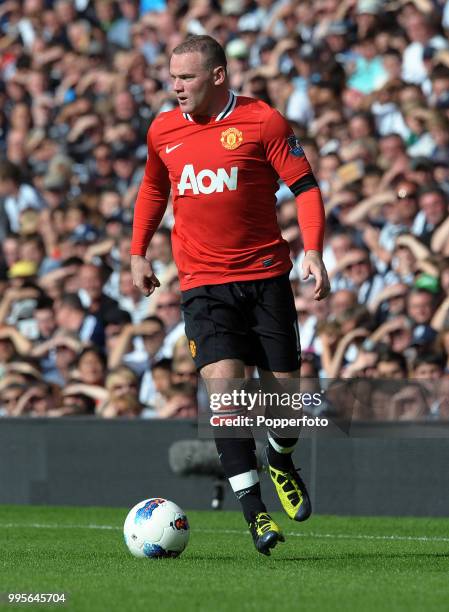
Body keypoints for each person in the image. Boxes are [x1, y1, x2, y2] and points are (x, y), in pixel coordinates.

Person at [130, 35, 329, 556]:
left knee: (286, 403)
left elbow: (305, 188)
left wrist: (313, 251)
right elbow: (154, 189)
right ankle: (256, 516)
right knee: (228, 395)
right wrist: (137, 252)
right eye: (172, 77)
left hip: (265, 279)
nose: (176, 87)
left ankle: (281, 459)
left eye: (187, 77)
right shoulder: (163, 130)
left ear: (218, 76)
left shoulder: (264, 121)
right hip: (202, 285)